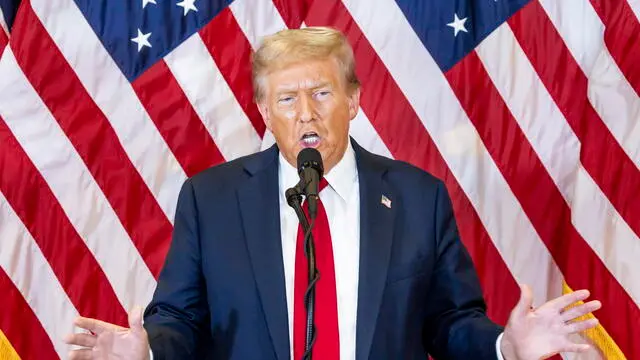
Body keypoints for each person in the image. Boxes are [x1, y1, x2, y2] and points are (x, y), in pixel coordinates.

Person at [65, 27, 601, 360]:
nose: (306, 114)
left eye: (322, 93)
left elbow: (449, 322)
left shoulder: (418, 198)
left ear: (354, 101)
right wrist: (150, 353)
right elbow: (180, 319)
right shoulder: (211, 199)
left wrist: (507, 347)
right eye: (287, 98)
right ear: (264, 111)